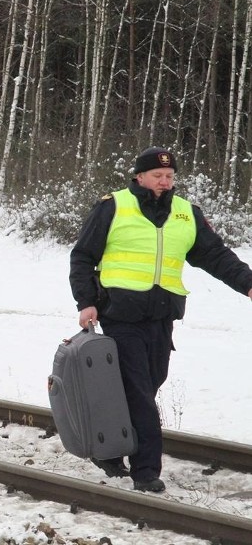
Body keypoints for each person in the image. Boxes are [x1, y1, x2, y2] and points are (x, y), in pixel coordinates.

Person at [69, 146, 252, 493]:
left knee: (149, 382)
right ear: (139, 176)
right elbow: (83, 256)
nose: (165, 182)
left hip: (162, 315)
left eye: (169, 177)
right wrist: (86, 302)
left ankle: (108, 450)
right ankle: (146, 470)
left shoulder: (186, 214)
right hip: (120, 313)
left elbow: (215, 255)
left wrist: (247, 283)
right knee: (139, 392)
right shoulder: (114, 205)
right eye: (157, 176)